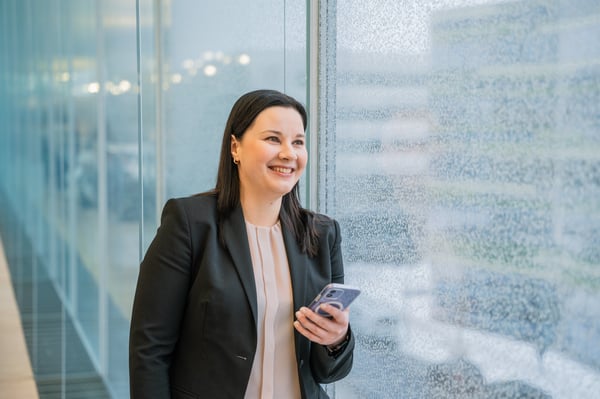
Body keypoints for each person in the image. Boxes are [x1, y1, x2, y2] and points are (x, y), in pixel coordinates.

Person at [129, 89, 355, 398]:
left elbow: (329, 372)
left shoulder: (322, 234)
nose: (289, 153)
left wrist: (336, 338)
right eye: (273, 139)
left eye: (298, 142)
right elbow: (149, 351)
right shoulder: (190, 224)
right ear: (236, 147)